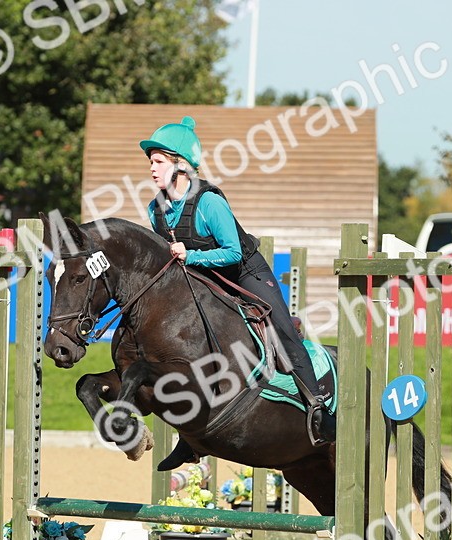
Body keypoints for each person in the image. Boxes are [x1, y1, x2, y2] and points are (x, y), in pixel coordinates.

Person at [139, 116, 334, 471]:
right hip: (202, 278)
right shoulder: (157, 211)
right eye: (150, 161)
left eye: (158, 161)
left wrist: (191, 255)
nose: (151, 168)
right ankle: (191, 438)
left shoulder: (209, 203)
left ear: (180, 165)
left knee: (284, 334)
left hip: (245, 272)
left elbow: (232, 251)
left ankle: (319, 408)